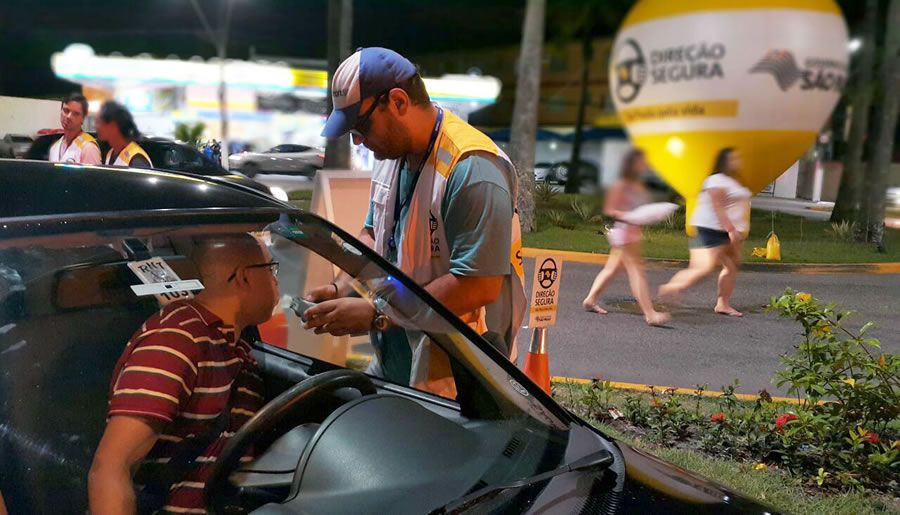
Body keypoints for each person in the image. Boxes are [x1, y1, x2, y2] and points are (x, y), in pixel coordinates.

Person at [303, 47, 527, 390]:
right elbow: (374, 236)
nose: (358, 141)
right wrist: (342, 288)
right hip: (395, 361)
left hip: (457, 379)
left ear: (398, 102)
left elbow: (477, 285)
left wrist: (378, 314)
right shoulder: (391, 156)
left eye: (361, 125)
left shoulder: (472, 169)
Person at [89, 234, 278, 514]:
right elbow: (111, 467)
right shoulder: (177, 340)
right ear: (244, 277)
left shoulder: (232, 344)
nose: (275, 281)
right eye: (271, 269)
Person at [659, 147, 752, 316]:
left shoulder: (732, 180)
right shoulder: (716, 180)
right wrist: (731, 229)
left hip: (727, 230)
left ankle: (723, 304)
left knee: (731, 267)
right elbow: (718, 206)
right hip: (712, 229)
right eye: (733, 159)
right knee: (704, 268)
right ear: (724, 161)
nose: (737, 161)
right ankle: (672, 287)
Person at [582, 149, 670, 326]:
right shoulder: (621, 185)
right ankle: (650, 313)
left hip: (632, 234)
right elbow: (610, 210)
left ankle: (590, 300)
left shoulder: (638, 185)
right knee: (637, 272)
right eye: (642, 161)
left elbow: (643, 209)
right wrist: (629, 216)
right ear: (632, 164)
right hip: (624, 234)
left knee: (612, 269)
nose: (645, 164)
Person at [95, 101, 153, 168]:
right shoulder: (110, 153)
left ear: (113, 126)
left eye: (99, 122)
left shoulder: (136, 160)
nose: (96, 126)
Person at [48, 93, 102, 165]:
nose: (69, 116)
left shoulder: (89, 148)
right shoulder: (54, 148)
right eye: (66, 110)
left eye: (76, 114)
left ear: (83, 119)